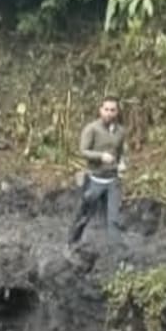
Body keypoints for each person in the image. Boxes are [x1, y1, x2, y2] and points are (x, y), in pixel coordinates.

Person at [68, 96, 127, 248]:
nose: (109, 113)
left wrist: (122, 164)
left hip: (113, 180)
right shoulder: (92, 129)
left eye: (112, 110)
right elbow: (83, 151)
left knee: (113, 219)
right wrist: (101, 156)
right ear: (100, 110)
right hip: (94, 179)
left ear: (117, 112)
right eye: (106, 109)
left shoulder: (121, 131)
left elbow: (122, 152)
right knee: (83, 214)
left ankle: (115, 252)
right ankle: (72, 243)